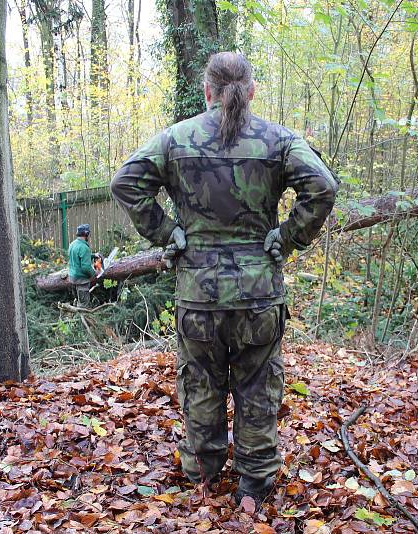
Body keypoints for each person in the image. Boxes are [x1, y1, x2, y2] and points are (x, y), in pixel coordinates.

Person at [110, 52, 338, 508]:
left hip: (198, 294)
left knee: (200, 383)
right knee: (257, 386)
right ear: (251, 91)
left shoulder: (177, 138)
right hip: (258, 295)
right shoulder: (278, 140)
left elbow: (126, 182)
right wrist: (289, 237)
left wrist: (168, 232)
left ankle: (204, 476)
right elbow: (323, 187)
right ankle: (254, 482)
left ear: (207, 91)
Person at [68, 224, 97, 306]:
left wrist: (92, 256)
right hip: (81, 281)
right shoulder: (84, 247)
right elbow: (86, 267)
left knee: (77, 301)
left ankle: (76, 315)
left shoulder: (73, 244)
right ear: (86, 234)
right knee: (83, 305)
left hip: (72, 278)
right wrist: (94, 273)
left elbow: (76, 258)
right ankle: (81, 317)